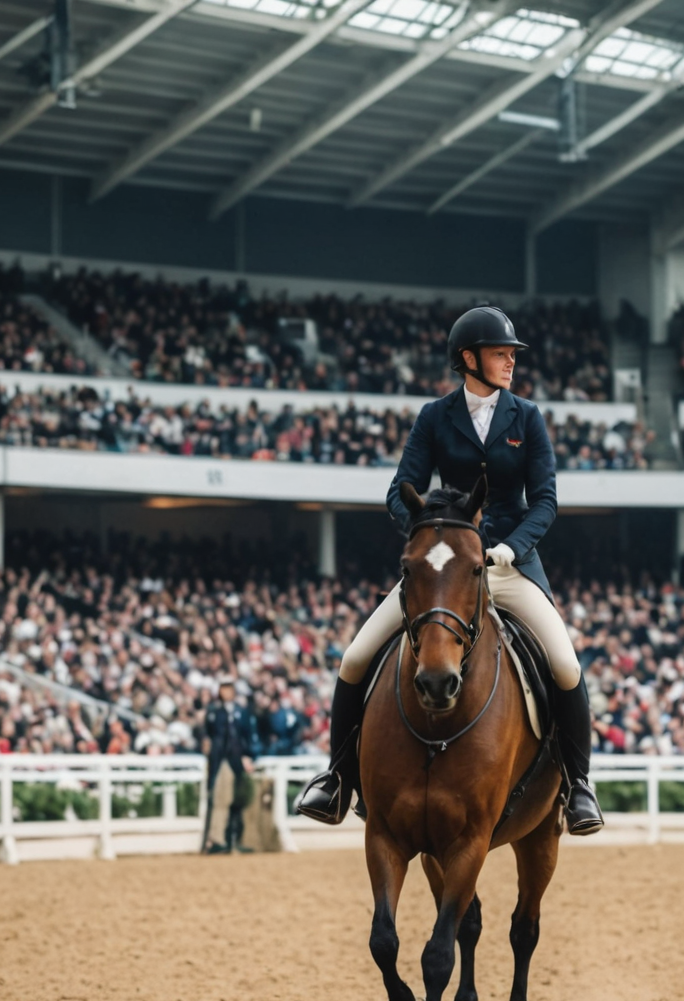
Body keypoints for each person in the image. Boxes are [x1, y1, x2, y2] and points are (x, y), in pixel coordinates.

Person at [296, 306, 604, 834]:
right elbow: (400, 491)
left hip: (510, 566)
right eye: (501, 352)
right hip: (445, 568)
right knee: (354, 657)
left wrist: (511, 546)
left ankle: (578, 786)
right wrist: (427, 530)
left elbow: (546, 501)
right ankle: (338, 778)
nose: (511, 361)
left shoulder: (526, 416)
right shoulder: (434, 417)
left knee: (565, 664)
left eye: (511, 354)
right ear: (469, 358)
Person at [202, 681, 255, 854]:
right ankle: (217, 840)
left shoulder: (242, 712)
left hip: (239, 760)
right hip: (223, 760)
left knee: (241, 800)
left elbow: (248, 736)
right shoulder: (215, 712)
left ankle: (240, 839)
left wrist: (248, 756)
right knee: (221, 799)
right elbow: (209, 736)